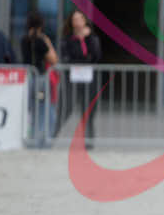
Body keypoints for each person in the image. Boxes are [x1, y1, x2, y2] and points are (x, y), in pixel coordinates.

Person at [60, 10, 103, 148]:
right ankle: (51, 137)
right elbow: (66, 58)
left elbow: (96, 57)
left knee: (88, 113)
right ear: (71, 22)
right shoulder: (67, 39)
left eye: (80, 18)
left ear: (85, 21)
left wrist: (88, 38)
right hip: (72, 81)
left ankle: (88, 143)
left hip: (89, 81)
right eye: (75, 19)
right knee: (65, 110)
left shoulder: (92, 38)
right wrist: (82, 61)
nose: (78, 22)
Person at [20, 12, 59, 146]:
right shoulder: (41, 40)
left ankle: (31, 138)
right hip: (40, 78)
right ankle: (40, 140)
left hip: (28, 78)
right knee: (43, 109)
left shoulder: (24, 40)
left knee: (31, 109)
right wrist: (48, 42)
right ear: (41, 25)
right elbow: (53, 59)